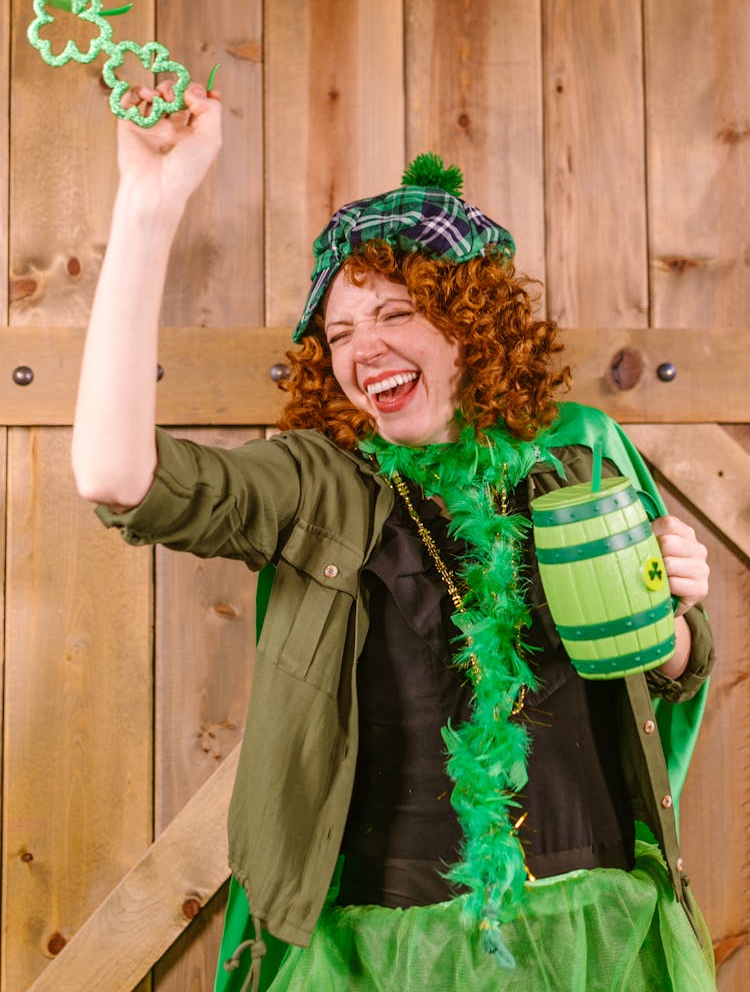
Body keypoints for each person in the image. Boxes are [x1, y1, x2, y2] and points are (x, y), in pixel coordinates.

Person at [73, 82, 716, 991]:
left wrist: (673, 606)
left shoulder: (581, 454)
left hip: (595, 935)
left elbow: (672, 666)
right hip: (385, 951)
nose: (360, 347)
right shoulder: (318, 482)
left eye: (392, 313)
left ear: (470, 322)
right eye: (338, 333)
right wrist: (148, 207)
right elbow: (114, 476)